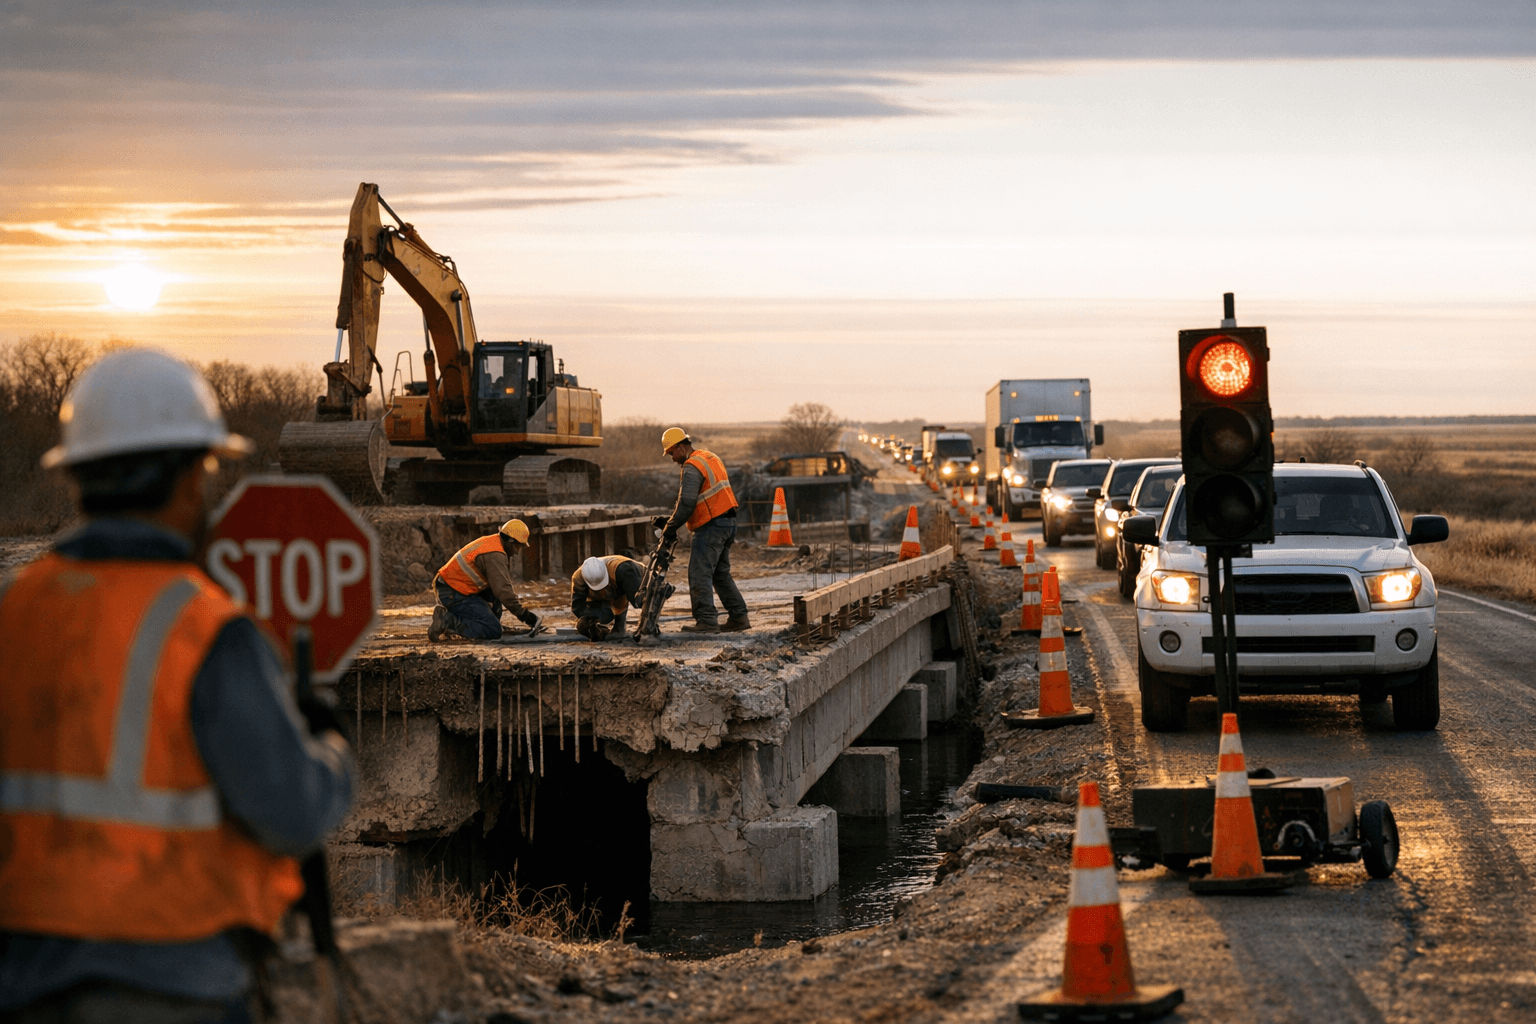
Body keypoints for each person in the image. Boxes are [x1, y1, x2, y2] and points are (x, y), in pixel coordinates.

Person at [0, 349, 355, 1023]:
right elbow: (292, 813)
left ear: (75, 478)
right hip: (173, 980)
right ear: (193, 477)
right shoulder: (202, 628)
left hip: (23, 979)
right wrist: (331, 750)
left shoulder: (16, 609)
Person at [659, 427, 750, 633]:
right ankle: (739, 617)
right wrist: (674, 519)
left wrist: (670, 527)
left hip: (711, 526)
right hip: (728, 523)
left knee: (699, 572)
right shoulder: (710, 457)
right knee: (720, 573)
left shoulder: (692, 465)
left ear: (681, 447)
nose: (672, 458)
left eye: (672, 452)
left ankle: (707, 620)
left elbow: (687, 501)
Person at [429, 519, 546, 641]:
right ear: (510, 541)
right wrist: (526, 616)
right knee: (493, 631)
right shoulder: (495, 554)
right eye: (517, 547)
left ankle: (483, 624)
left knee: (494, 602)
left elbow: (498, 589)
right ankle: (446, 621)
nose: (517, 552)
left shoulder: (493, 543)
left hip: (453, 589)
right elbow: (503, 591)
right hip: (452, 593)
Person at [570, 554, 643, 641]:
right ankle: (603, 630)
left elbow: (635, 599)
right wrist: (591, 619)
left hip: (632, 575)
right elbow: (577, 607)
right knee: (591, 620)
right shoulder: (578, 578)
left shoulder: (623, 569)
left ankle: (648, 628)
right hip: (604, 594)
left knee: (639, 601)